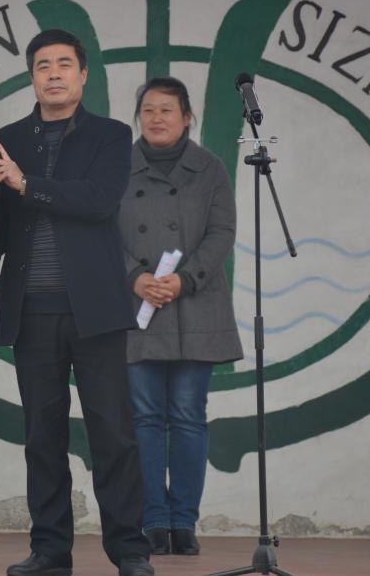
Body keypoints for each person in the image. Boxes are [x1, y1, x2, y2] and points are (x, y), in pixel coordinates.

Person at [0, 30, 154, 576]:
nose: (53, 73)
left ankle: (130, 550)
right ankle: (50, 550)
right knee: (42, 437)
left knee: (112, 433)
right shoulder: (4, 140)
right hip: (32, 310)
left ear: (83, 74)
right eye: (43, 65)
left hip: (95, 308)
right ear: (31, 77)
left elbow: (99, 201)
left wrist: (28, 184)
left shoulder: (112, 136)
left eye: (64, 64)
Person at [118, 77, 242, 556]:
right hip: (137, 306)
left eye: (167, 109)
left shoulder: (210, 168)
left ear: (187, 117)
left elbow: (222, 231)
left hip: (195, 302)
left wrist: (185, 279)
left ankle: (184, 521)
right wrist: (134, 276)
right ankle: (153, 520)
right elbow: (101, 229)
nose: (156, 118)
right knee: (145, 418)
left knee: (189, 416)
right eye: (148, 109)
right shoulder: (117, 165)